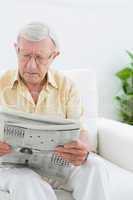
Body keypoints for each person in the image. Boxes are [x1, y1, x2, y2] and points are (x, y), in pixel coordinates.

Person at [0, 22, 109, 200]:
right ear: (16, 50)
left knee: (95, 165)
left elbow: (80, 132)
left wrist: (82, 148)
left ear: (53, 56)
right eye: (26, 55)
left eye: (40, 58)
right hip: (11, 169)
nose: (31, 66)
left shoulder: (67, 87)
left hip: (57, 166)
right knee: (27, 182)